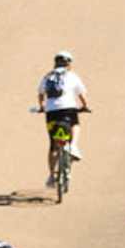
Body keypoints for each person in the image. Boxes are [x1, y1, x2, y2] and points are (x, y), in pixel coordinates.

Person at [36, 49, 90, 186]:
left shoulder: (47, 76)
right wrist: (85, 106)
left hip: (51, 113)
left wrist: (42, 107)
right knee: (75, 125)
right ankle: (73, 146)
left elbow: (40, 94)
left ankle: (51, 176)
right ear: (69, 63)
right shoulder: (72, 76)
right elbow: (81, 94)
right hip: (68, 110)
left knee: (53, 145)